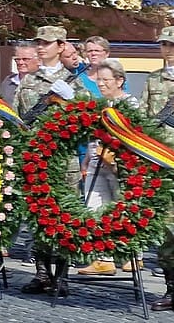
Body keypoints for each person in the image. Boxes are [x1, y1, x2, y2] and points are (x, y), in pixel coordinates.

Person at [15, 25, 87, 296]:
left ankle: (63, 275)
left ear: (61, 46)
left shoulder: (75, 82)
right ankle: (42, 274)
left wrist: (73, 99)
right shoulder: (28, 82)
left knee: (65, 217)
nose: (41, 47)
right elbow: (18, 120)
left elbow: (88, 118)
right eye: (39, 43)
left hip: (64, 160)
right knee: (37, 216)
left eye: (47, 43)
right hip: (36, 160)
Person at [78, 59, 139, 277]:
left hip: (119, 164)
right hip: (96, 160)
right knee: (94, 207)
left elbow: (134, 136)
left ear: (119, 81)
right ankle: (103, 258)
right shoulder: (100, 104)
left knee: (122, 207)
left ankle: (134, 254)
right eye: (99, 80)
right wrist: (87, 157)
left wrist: (116, 158)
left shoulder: (131, 104)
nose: (101, 84)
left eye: (106, 80)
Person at [142, 27, 174, 311]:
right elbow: (145, 117)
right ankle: (171, 289)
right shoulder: (154, 79)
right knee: (165, 228)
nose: (169, 49)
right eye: (165, 45)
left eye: (172, 44)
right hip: (161, 159)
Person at [0, 42, 39, 106]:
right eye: (17, 59)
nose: (20, 62)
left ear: (38, 60)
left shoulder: (45, 82)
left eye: (25, 59)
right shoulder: (8, 82)